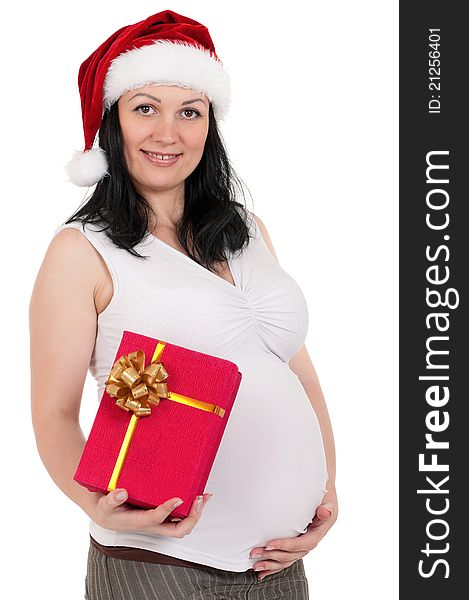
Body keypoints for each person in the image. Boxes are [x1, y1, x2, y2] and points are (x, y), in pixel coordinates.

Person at [29, 8, 338, 600]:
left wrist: (327, 492)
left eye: (189, 112)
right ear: (113, 124)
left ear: (208, 126)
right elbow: (53, 415)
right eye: (144, 107)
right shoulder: (80, 251)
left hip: (279, 564)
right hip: (162, 566)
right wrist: (98, 504)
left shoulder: (247, 229)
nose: (167, 133)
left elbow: (294, 367)